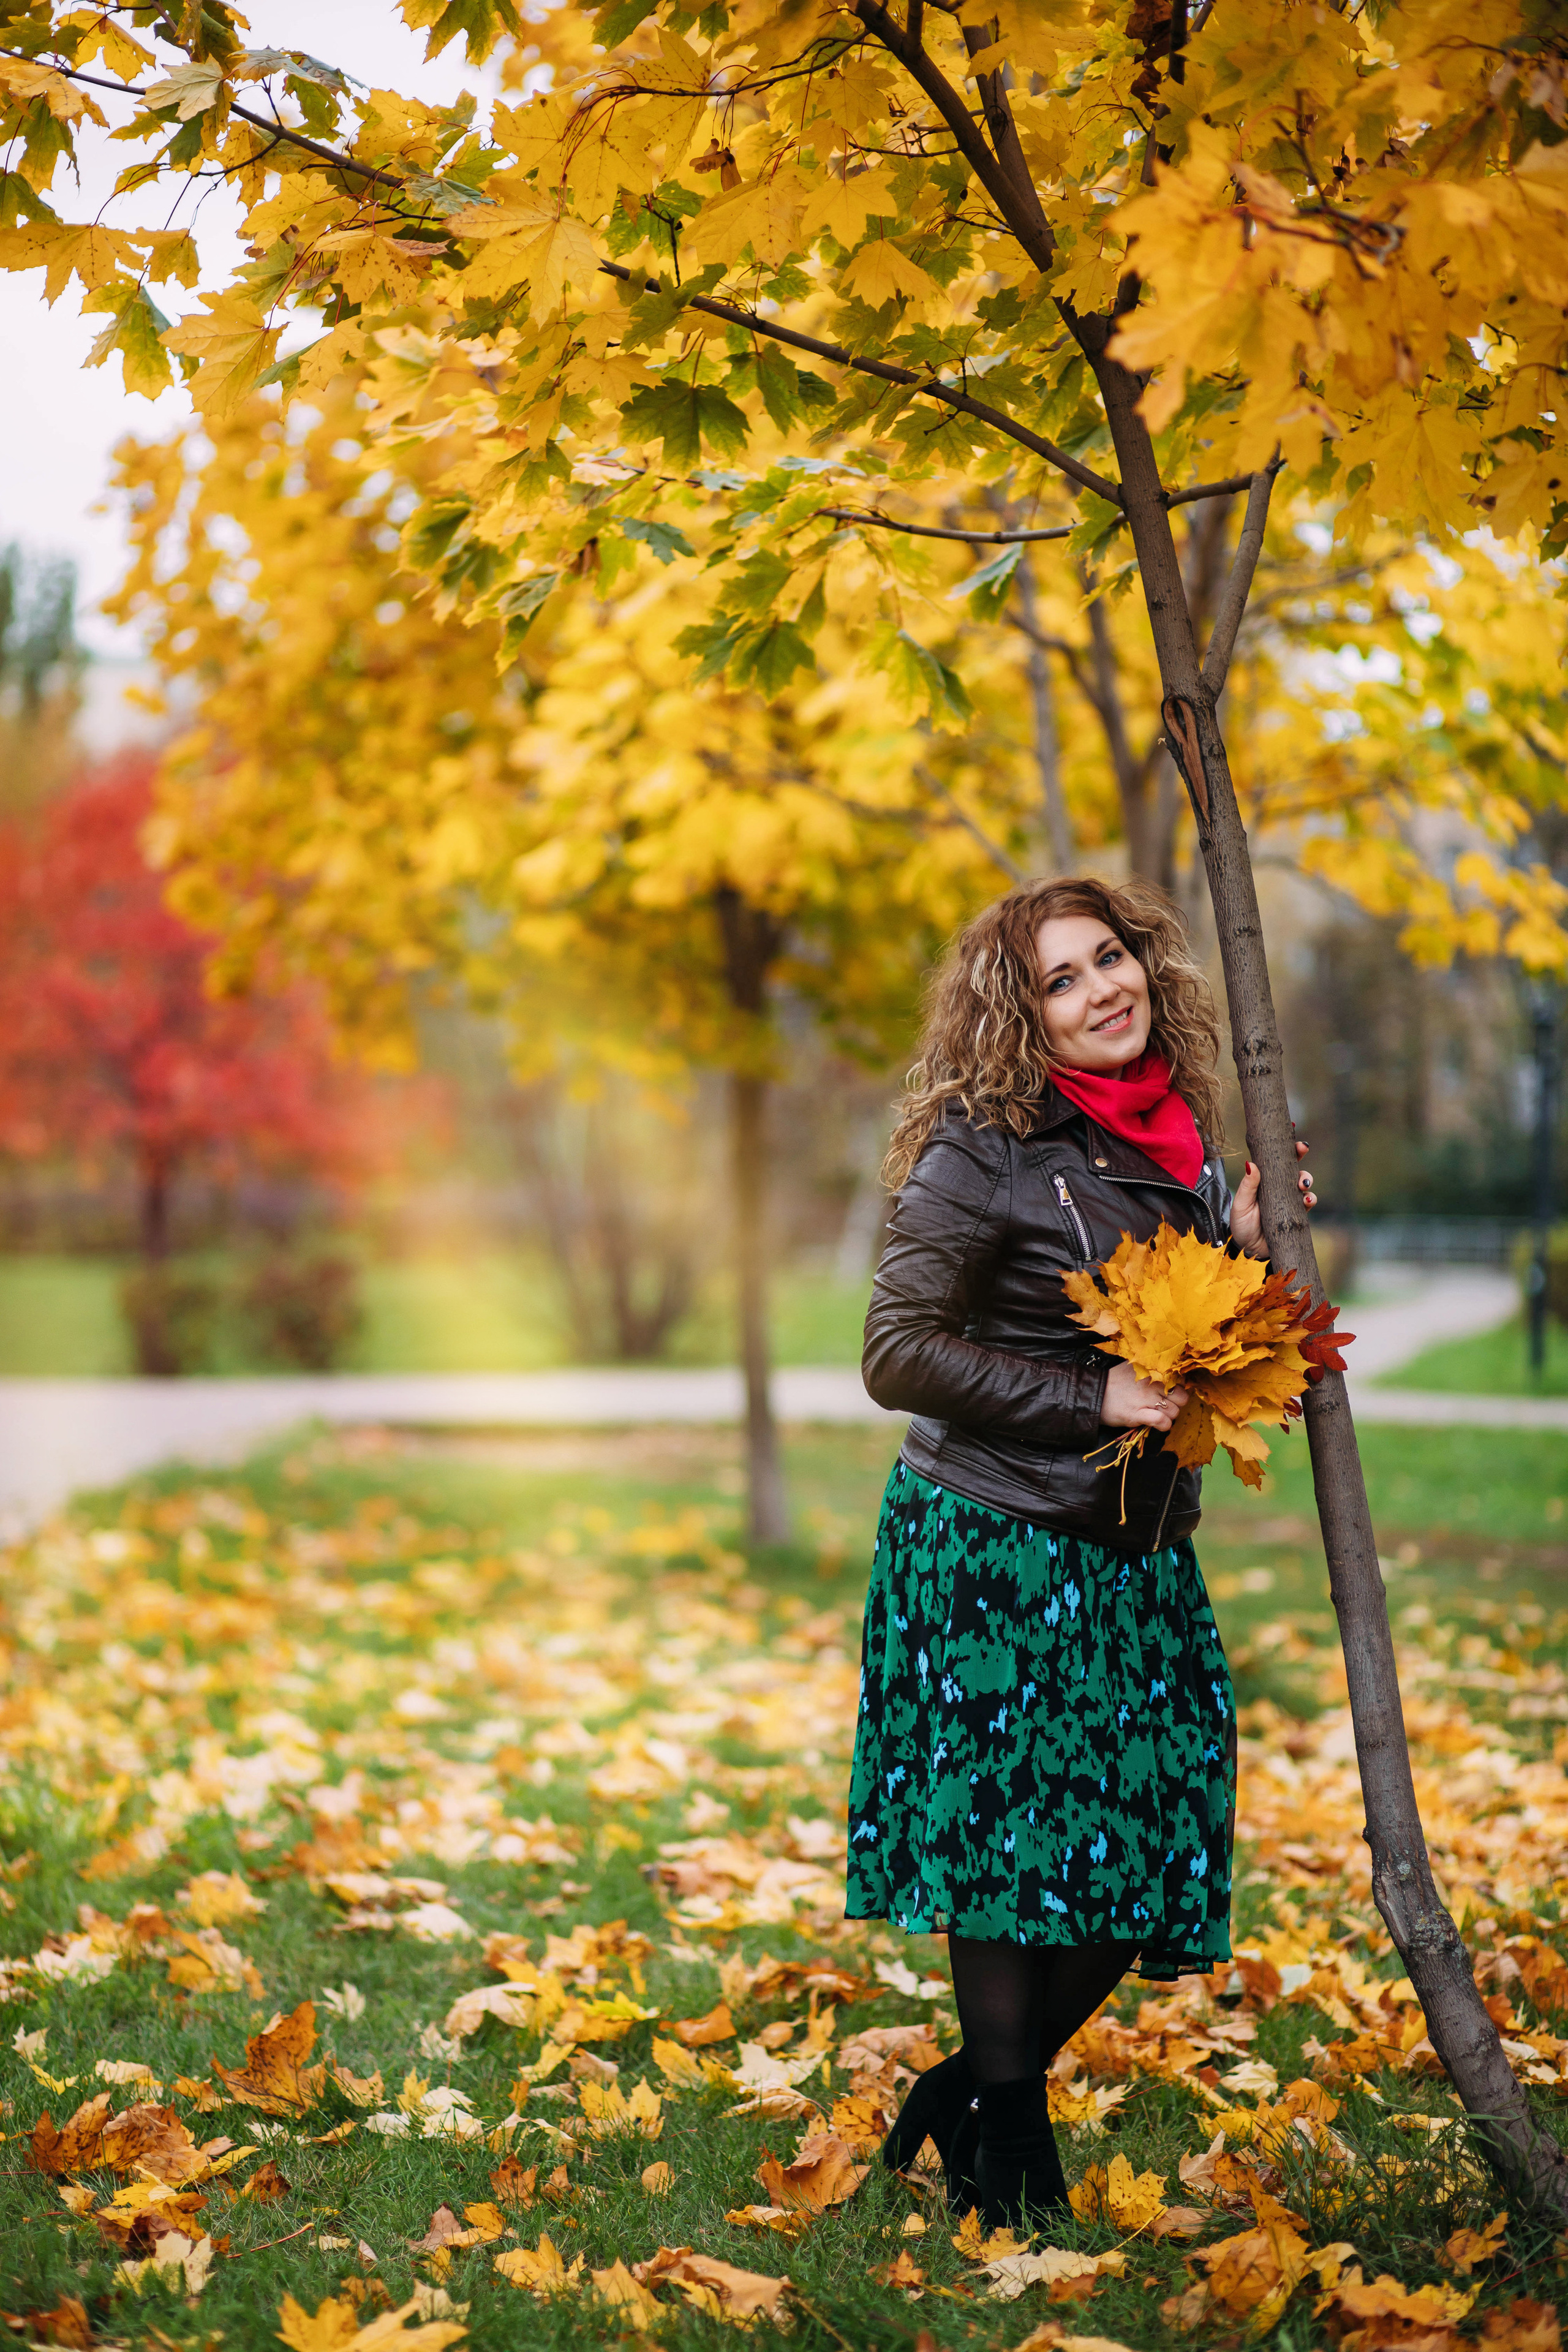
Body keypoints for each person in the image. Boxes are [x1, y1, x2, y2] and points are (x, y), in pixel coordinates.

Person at [846, 876, 1316, 2229]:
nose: (1100, 988)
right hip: (989, 1540)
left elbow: (1197, 1332)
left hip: (1132, 1545)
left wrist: (1243, 1244)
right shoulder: (979, 1145)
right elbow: (892, 1350)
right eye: (1060, 978)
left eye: (1108, 958)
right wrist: (1087, 1398)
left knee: (1162, 1831)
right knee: (1004, 1851)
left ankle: (965, 2092)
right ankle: (1011, 2163)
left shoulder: (1179, 1132)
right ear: (1020, 1012)